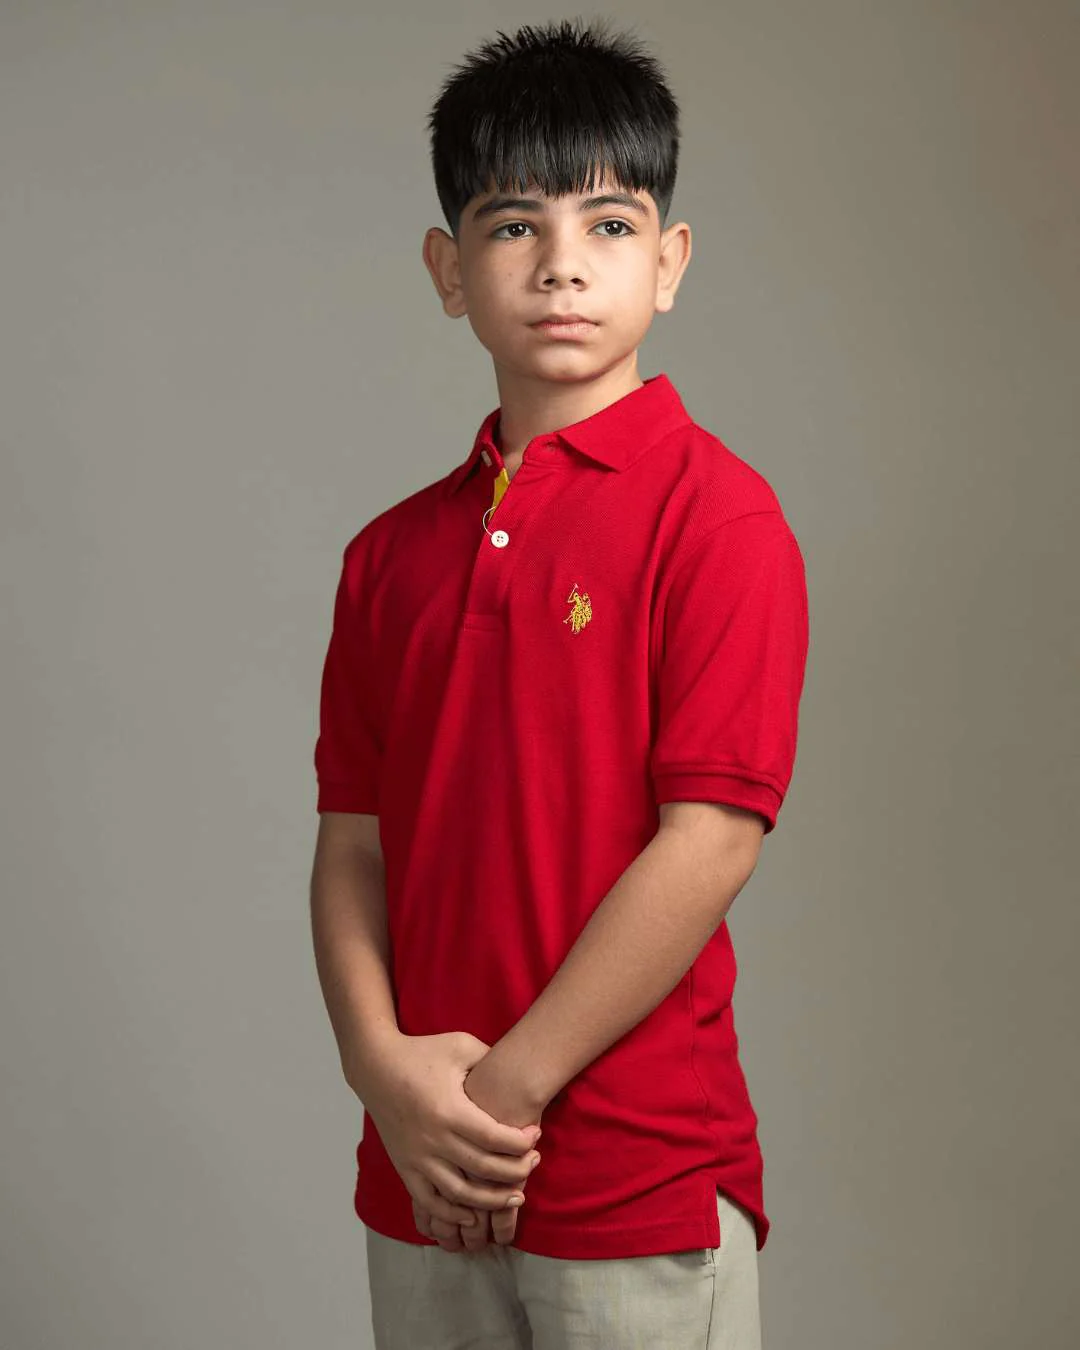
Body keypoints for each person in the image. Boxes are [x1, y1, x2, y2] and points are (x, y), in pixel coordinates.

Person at [309, 17, 809, 1349]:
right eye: (514, 225)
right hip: (423, 1170)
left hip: (635, 1172)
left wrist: (504, 1090)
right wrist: (385, 1075)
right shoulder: (388, 558)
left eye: (610, 224)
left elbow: (710, 842)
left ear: (671, 261)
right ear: (448, 269)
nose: (563, 265)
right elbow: (351, 845)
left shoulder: (718, 519)